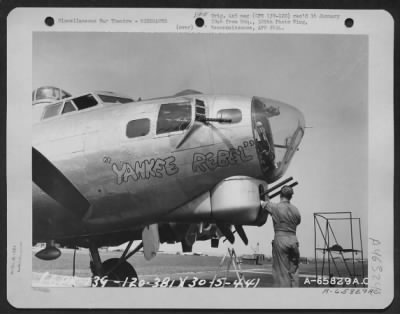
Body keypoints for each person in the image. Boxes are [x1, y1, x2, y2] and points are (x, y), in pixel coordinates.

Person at [261, 185, 301, 287]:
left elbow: (261, 204)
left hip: (280, 240)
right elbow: (298, 222)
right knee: (294, 272)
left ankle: (283, 298)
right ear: (291, 197)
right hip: (293, 239)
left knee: (281, 274)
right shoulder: (296, 210)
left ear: (280, 195)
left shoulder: (275, 207)